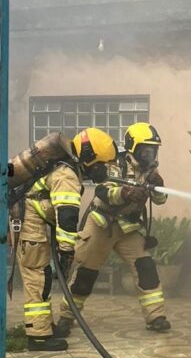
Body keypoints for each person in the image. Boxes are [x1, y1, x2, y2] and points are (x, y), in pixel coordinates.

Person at [55, 122, 172, 335]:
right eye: (145, 150)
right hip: (101, 224)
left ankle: (156, 316)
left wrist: (159, 184)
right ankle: (66, 316)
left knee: (146, 268)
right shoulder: (113, 162)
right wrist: (124, 194)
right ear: (133, 147)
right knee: (84, 275)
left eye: (152, 150)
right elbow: (102, 191)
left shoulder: (150, 171)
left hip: (128, 228)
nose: (149, 155)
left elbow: (161, 200)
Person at [16, 127, 117, 351]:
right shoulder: (67, 176)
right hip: (34, 233)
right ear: (90, 158)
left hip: (36, 231)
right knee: (38, 280)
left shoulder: (66, 170)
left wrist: (64, 250)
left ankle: (41, 327)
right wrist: (67, 251)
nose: (104, 171)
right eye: (103, 164)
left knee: (40, 279)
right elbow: (67, 217)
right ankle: (38, 336)